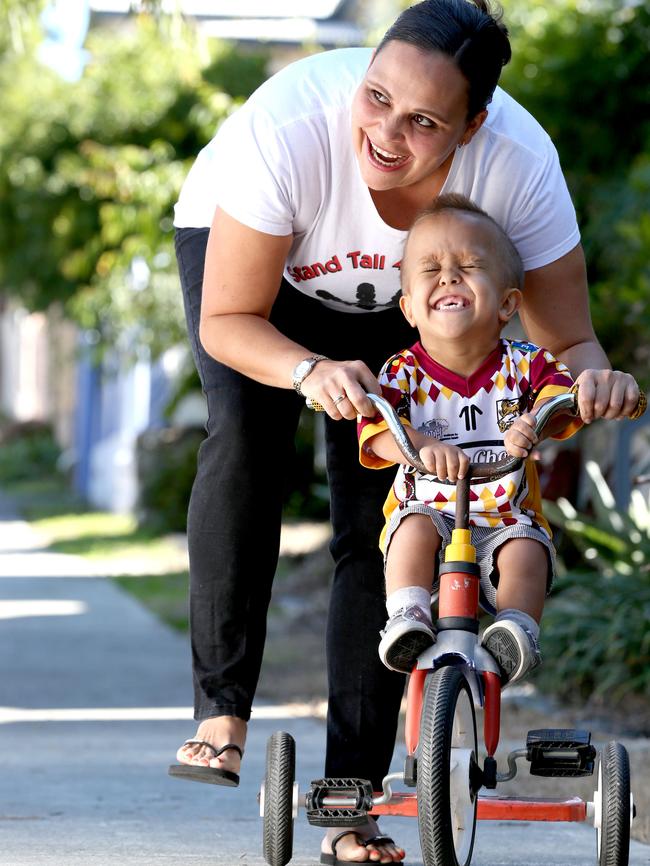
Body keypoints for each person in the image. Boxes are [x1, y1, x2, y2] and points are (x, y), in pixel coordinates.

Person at [170, 0, 639, 862]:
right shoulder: (292, 131)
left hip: (420, 297)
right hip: (263, 277)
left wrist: (584, 389)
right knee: (244, 443)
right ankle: (220, 713)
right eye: (377, 96)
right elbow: (229, 318)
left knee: (383, 520)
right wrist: (311, 369)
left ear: (473, 125)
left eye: (423, 121)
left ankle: (355, 808)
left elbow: (568, 342)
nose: (385, 133)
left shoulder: (518, 169)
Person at [358, 193, 583, 683]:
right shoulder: (403, 371)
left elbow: (562, 395)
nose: (448, 276)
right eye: (430, 268)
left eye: (469, 264)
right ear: (409, 309)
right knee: (410, 527)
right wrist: (417, 443)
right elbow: (375, 431)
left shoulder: (526, 364)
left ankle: (515, 631)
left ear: (507, 303)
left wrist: (536, 420)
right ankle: (408, 617)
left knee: (526, 548)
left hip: (504, 515)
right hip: (432, 513)